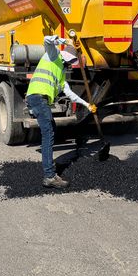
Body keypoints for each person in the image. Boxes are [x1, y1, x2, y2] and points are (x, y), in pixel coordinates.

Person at [25, 35, 97, 189]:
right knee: (49, 132)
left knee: (51, 130)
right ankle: (49, 176)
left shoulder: (61, 74)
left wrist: (87, 104)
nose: (70, 64)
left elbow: (70, 94)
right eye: (70, 61)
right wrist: (62, 40)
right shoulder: (53, 55)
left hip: (39, 99)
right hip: (37, 97)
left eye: (72, 63)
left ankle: (49, 170)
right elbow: (46, 40)